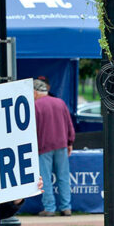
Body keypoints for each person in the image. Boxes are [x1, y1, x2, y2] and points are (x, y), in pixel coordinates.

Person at [33, 78, 75, 217]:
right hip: (61, 145)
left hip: (44, 146)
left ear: (35, 92)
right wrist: (70, 142)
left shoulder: (36, 106)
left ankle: (49, 208)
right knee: (63, 177)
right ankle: (66, 207)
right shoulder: (60, 102)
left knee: (45, 178)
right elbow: (69, 124)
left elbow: (33, 129)